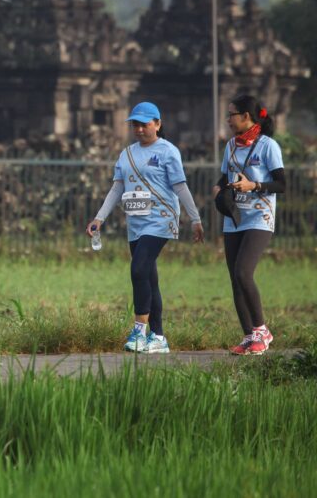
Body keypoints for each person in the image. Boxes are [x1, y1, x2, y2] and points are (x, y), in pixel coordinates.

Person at [87, 101, 204, 354]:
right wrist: (99, 218)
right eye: (135, 125)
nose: (139, 129)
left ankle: (139, 332)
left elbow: (180, 187)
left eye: (145, 124)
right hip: (136, 222)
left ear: (158, 124)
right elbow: (117, 187)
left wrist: (195, 219)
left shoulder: (168, 151)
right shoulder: (126, 154)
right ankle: (159, 337)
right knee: (149, 278)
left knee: (138, 269)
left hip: (161, 219)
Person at [213, 95, 285, 356]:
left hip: (260, 218)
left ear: (246, 116)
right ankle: (248, 336)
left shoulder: (268, 146)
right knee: (235, 278)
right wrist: (219, 187)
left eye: (231, 114)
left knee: (244, 272)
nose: (228, 119)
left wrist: (254, 185)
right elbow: (225, 174)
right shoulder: (231, 145)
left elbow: (282, 184)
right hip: (235, 218)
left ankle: (261, 330)